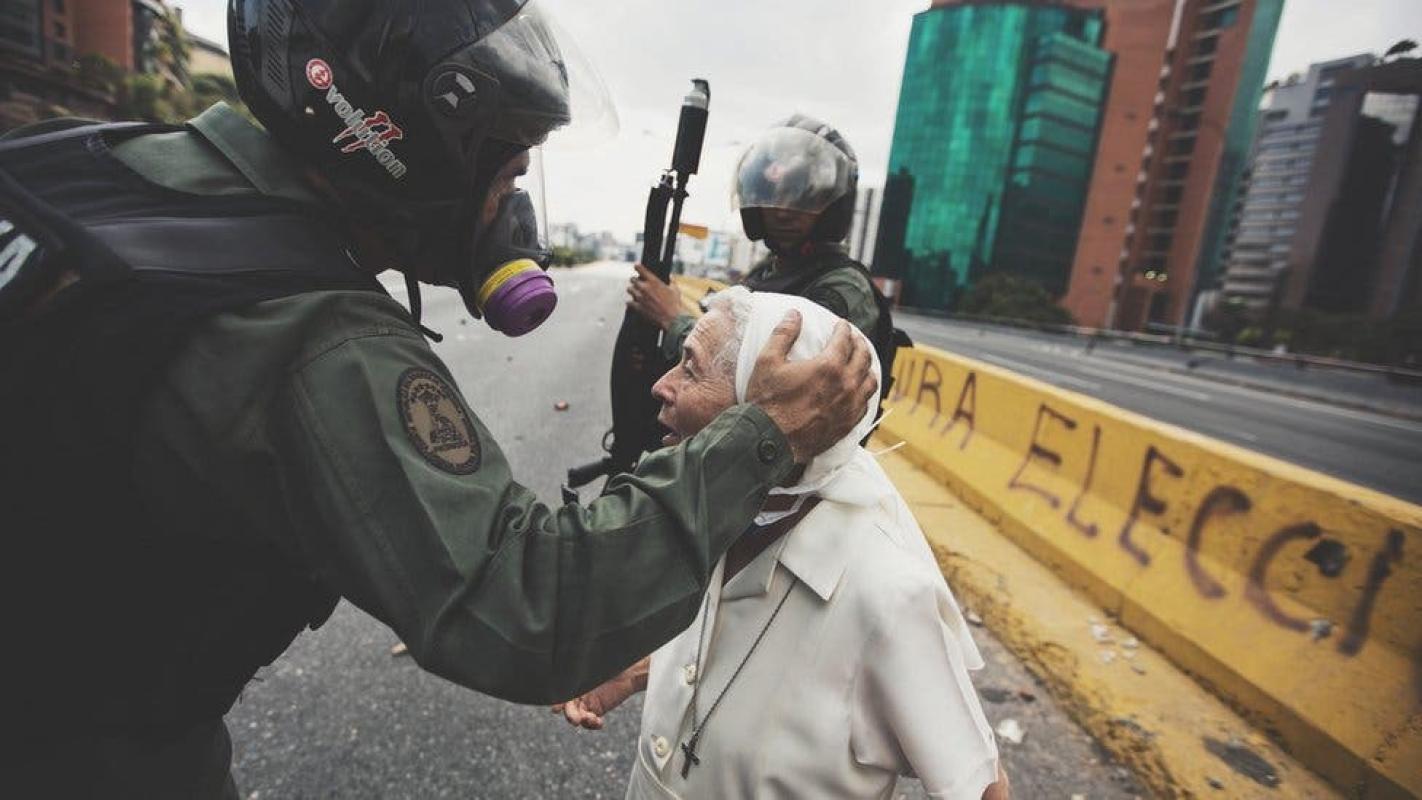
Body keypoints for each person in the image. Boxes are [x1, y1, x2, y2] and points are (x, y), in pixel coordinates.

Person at [0, 1, 876, 795]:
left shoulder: (81, 162)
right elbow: (532, 605)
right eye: (505, 175)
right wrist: (764, 433)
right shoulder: (316, 335)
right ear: (412, 152)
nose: (512, 206)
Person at [554, 288, 1009, 800]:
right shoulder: (718, 512)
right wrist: (639, 670)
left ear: (774, 409)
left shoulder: (886, 592)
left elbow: (982, 787)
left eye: (691, 368)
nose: (662, 385)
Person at [626, 115, 902, 383]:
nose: (782, 212)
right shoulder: (768, 271)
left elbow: (768, 380)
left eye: (802, 196)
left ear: (833, 207)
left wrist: (674, 319)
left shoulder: (843, 288)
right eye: (772, 195)